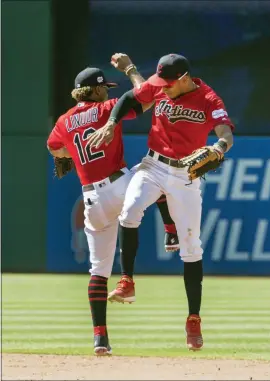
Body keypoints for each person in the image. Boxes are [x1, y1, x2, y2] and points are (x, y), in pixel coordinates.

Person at [87, 53, 234, 351]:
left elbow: (225, 132)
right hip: (153, 166)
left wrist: (218, 148)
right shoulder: (158, 86)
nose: (162, 88)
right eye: (160, 82)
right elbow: (130, 96)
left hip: (186, 176)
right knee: (129, 213)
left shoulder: (208, 98)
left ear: (183, 79)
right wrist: (112, 122)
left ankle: (194, 318)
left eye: (168, 84)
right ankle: (127, 280)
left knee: (191, 247)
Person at [46, 54, 178, 356]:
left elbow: (54, 148)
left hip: (91, 198)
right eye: (104, 87)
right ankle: (171, 231)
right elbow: (146, 97)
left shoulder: (64, 120)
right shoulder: (106, 109)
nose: (107, 91)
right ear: (93, 90)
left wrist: (69, 155)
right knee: (154, 174)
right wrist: (131, 70)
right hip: (118, 184)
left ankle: (100, 339)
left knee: (98, 271)